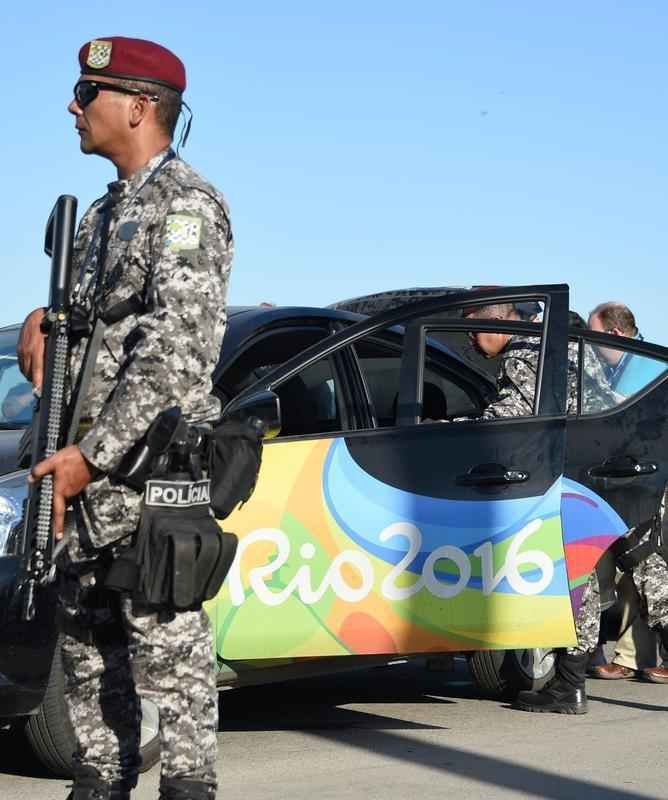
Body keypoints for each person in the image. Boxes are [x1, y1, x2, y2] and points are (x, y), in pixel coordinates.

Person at [17, 37, 233, 800]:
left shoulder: (185, 208)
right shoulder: (102, 215)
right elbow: (98, 328)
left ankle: (186, 787)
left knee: (166, 642)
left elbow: (176, 350)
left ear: (139, 108)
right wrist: (47, 319)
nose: (73, 108)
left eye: (88, 94)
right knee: (84, 642)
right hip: (80, 467)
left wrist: (93, 455)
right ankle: (100, 781)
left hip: (146, 470)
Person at [588, 302, 665, 395]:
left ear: (614, 334)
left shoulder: (640, 375)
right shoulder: (619, 366)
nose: (589, 343)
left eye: (592, 336)